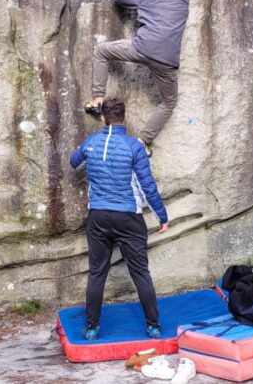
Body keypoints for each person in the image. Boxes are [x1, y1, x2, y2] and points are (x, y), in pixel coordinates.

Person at [70, 97, 169, 340]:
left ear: (102, 118)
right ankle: (153, 327)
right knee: (140, 273)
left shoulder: (91, 143)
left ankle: (92, 328)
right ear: (123, 118)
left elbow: (74, 163)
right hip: (128, 218)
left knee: (96, 273)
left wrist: (94, 161)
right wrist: (162, 217)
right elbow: (148, 187)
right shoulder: (134, 147)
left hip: (99, 217)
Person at [90, 0, 190, 156]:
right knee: (169, 102)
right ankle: (143, 141)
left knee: (101, 51)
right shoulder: (184, 0)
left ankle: (98, 98)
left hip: (142, 48)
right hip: (167, 60)